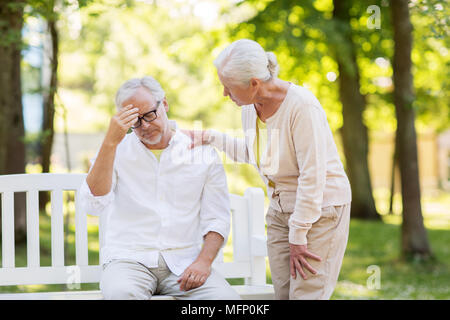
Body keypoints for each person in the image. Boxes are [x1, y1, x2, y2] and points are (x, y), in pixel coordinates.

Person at [184, 39, 352, 300]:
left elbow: (312, 175)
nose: (224, 94)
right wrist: (210, 137)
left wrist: (299, 234)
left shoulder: (302, 107)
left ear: (254, 83)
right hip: (280, 208)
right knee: (283, 294)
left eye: (228, 87)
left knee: (306, 294)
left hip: (319, 210)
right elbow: (259, 154)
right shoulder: (251, 107)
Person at [79, 76, 240, 300]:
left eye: (149, 115)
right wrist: (109, 143)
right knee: (120, 295)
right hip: (129, 261)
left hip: (185, 263)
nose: (144, 126)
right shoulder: (115, 149)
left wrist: (204, 263)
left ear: (164, 104)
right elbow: (93, 204)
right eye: (135, 121)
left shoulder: (200, 152)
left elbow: (217, 218)